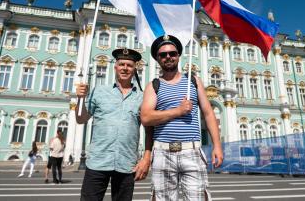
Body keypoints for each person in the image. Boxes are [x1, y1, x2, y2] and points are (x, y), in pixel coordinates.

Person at [141, 35, 224, 200]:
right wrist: (177, 111)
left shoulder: (193, 81)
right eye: (163, 55)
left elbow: (208, 113)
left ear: (178, 55)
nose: (168, 57)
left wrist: (217, 145)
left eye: (172, 53)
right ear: (158, 59)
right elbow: (146, 118)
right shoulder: (153, 86)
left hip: (191, 151)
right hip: (163, 152)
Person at [76, 48, 152, 201]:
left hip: (127, 163)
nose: (125, 68)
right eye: (121, 64)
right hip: (98, 161)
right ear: (115, 67)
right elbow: (81, 119)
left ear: (135, 69)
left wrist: (146, 159)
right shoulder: (99, 91)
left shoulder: (142, 97)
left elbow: (149, 130)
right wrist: (80, 99)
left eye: (129, 65)